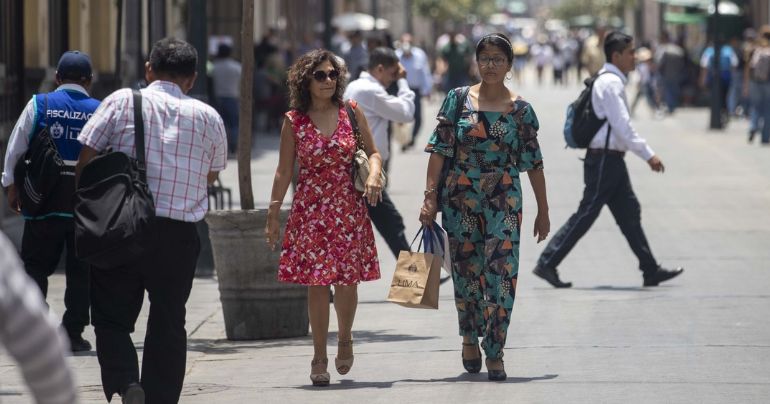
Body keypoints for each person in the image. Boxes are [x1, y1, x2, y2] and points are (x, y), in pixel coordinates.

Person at [76, 37, 227, 403]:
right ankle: (160, 397)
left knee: (110, 317)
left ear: (148, 69)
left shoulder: (122, 101)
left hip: (122, 226)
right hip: (178, 235)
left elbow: (86, 157)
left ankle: (127, 382)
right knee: (169, 321)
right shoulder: (209, 117)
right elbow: (211, 175)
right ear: (191, 79)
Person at [420, 33, 550, 381]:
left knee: (502, 275)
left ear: (509, 65)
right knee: (467, 274)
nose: (491, 65)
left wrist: (544, 209)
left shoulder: (521, 111)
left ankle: (495, 348)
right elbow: (439, 151)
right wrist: (430, 196)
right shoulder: (457, 100)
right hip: (460, 199)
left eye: (498, 59)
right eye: (485, 58)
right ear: (476, 62)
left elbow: (533, 163)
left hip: (504, 200)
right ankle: (467, 336)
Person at [265, 49, 383, 387]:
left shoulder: (350, 112)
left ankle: (344, 337)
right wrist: (273, 215)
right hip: (311, 211)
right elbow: (283, 171)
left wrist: (374, 174)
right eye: (320, 75)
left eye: (333, 74)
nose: (328, 80)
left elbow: (373, 153)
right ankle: (318, 354)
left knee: (347, 281)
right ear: (306, 80)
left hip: (348, 209)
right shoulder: (294, 121)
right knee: (317, 284)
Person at [533, 31, 683, 289]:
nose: (635, 57)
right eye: (631, 52)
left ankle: (650, 269)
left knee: (629, 213)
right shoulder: (611, 83)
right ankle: (547, 262)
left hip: (611, 160)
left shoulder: (609, 80)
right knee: (587, 213)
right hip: (604, 160)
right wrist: (649, 155)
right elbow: (622, 126)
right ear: (616, 55)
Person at [1, 50, 99, 353]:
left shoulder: (39, 104)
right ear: (89, 81)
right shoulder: (100, 109)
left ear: (57, 78)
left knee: (34, 267)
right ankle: (72, 333)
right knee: (81, 272)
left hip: (43, 203)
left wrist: (10, 186)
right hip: (85, 208)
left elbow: (15, 148)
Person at [344, 47, 415, 258]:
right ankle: (416, 281)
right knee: (392, 223)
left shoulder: (358, 86)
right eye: (393, 74)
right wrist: (403, 82)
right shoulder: (368, 90)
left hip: (364, 170)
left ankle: (418, 280)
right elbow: (406, 113)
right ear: (381, 69)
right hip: (365, 172)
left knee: (389, 224)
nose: (393, 80)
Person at [0, 230, 78, 404]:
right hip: (68, 219)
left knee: (36, 265)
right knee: (78, 270)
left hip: (42, 218)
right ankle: (75, 330)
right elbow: (39, 342)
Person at [396, 33, 433, 151]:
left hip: (415, 91)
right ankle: (403, 140)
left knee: (418, 117)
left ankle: (412, 138)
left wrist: (427, 90)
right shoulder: (396, 56)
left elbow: (425, 73)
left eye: (409, 42)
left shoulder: (420, 55)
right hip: (400, 90)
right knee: (402, 118)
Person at [211, 43, 242, 154]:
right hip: (232, 97)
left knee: (220, 125)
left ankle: (221, 147)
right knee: (234, 124)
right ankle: (233, 146)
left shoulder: (214, 66)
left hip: (218, 98)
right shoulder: (237, 67)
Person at [744, 26, 770, 145]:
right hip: (768, 83)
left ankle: (753, 127)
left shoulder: (754, 48)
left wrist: (746, 84)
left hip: (754, 81)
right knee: (767, 109)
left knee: (755, 107)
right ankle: (765, 136)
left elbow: (748, 68)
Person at [655, 32, 685, 114]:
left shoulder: (664, 49)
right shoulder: (676, 49)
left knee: (668, 91)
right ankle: (672, 106)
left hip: (666, 74)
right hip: (675, 74)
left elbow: (660, 62)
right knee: (673, 90)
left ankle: (671, 106)